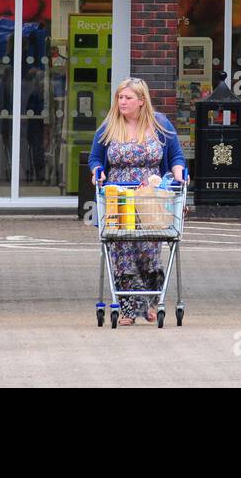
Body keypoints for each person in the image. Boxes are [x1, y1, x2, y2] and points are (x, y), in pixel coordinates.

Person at [88, 78, 187, 325]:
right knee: (122, 251)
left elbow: (175, 156)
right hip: (119, 197)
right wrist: (97, 171)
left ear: (142, 101)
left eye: (128, 98)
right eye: (120, 97)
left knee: (148, 251)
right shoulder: (109, 126)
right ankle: (128, 310)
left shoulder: (160, 124)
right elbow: (95, 158)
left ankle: (152, 302)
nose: (122, 102)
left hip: (150, 197)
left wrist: (179, 176)